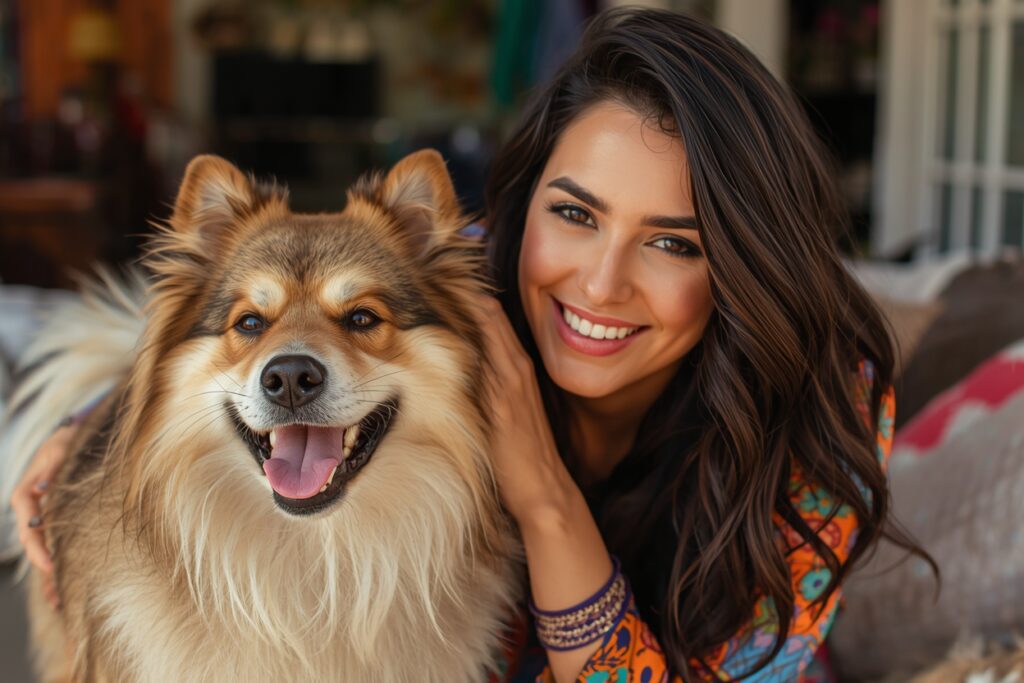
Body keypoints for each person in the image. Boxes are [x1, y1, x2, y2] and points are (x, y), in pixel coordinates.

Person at [11, 8, 930, 683]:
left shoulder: (821, 416)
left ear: (746, 260)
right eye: (575, 213)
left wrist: (542, 498)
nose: (599, 284)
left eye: (674, 240)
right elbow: (223, 347)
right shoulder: (466, 267)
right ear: (524, 205)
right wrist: (88, 422)